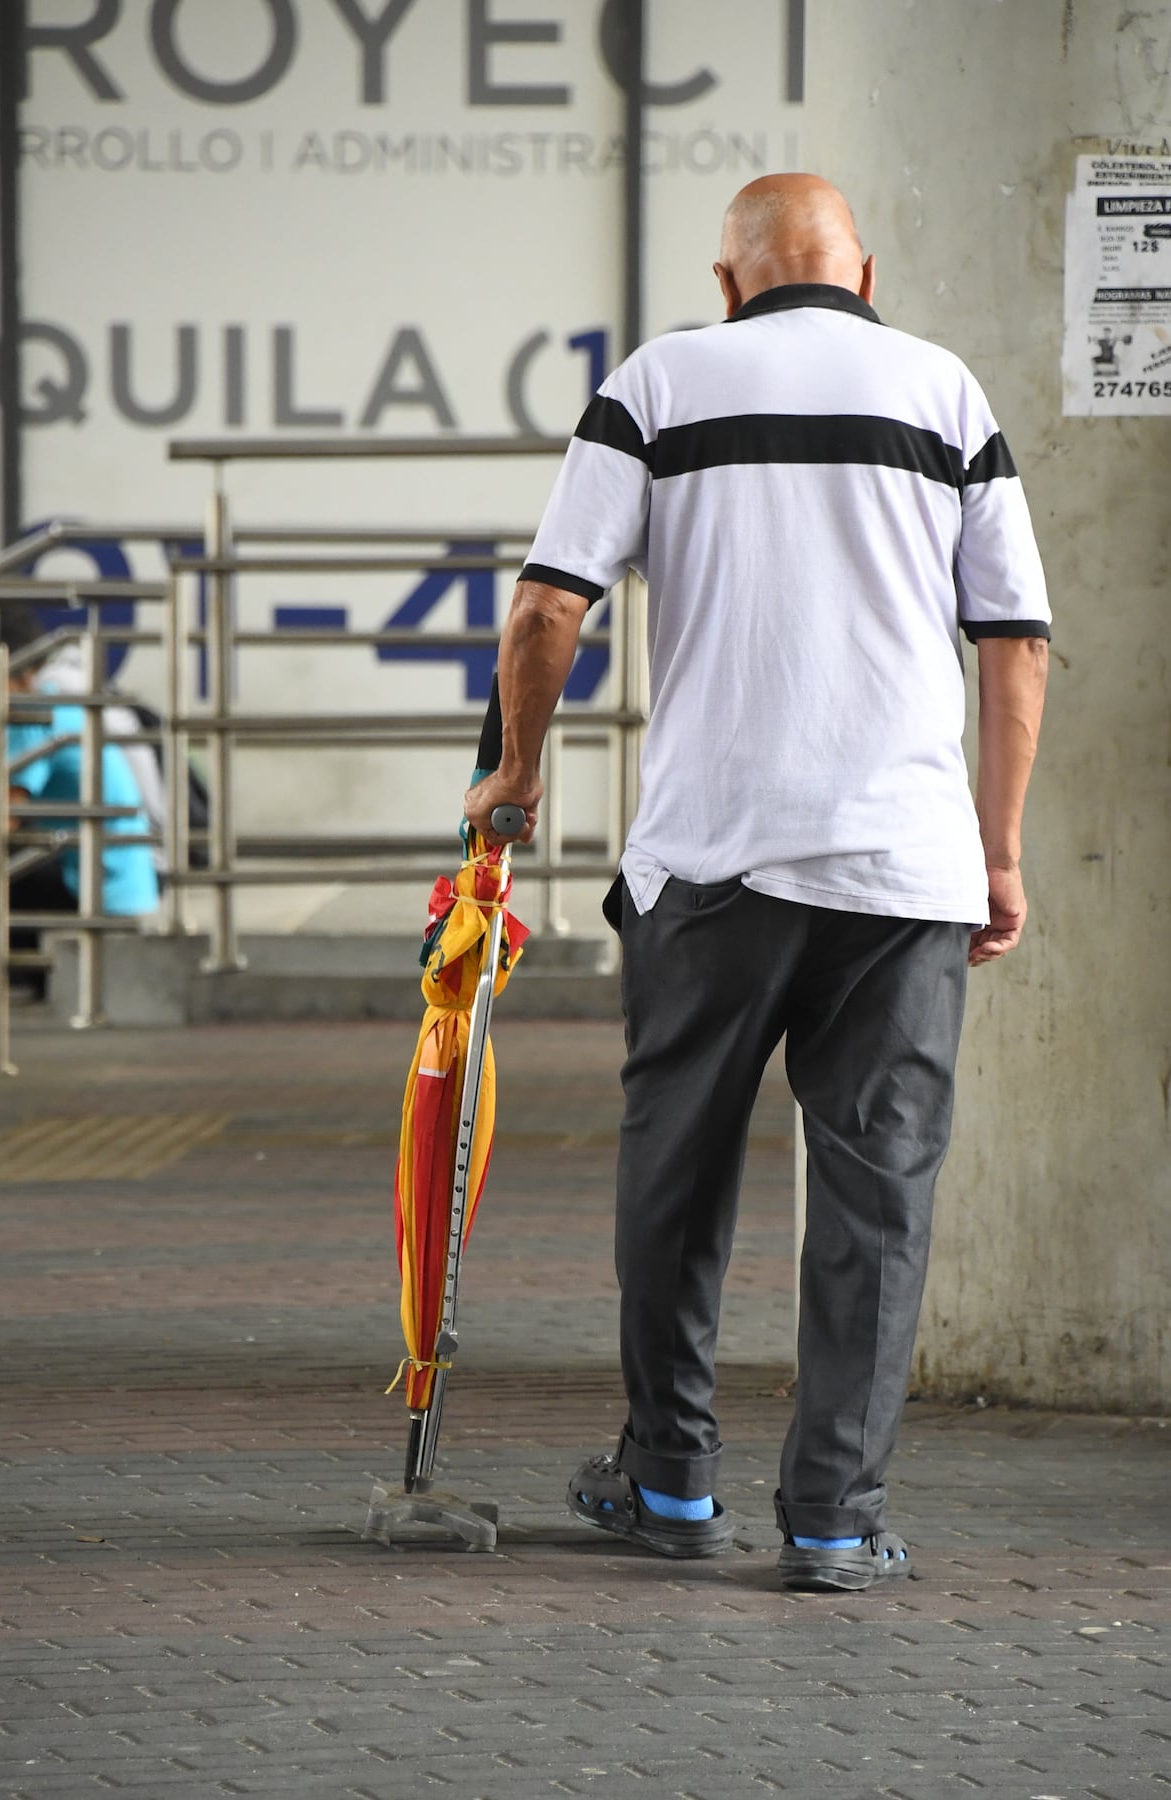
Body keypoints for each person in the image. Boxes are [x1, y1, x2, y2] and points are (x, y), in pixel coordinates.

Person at [464, 174, 1050, 1593]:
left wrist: (515, 778)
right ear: (866, 277)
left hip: (711, 865)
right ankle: (837, 1517)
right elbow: (1016, 638)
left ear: (726, 284)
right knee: (878, 1194)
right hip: (901, 875)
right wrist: (999, 848)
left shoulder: (660, 383)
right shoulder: (945, 392)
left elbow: (550, 606)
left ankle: (668, 1483)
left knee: (679, 1172)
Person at [0, 608, 160, 965]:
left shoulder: (31, 711)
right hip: (123, 880)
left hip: (97, 887)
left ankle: (4, 974)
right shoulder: (57, 695)